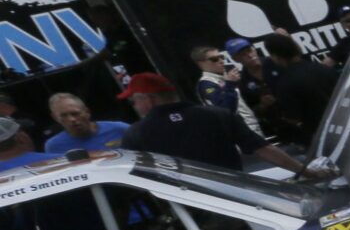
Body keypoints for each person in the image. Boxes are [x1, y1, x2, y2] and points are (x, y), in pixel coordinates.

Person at [120, 71, 316, 176]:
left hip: (193, 212)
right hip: (238, 196)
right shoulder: (217, 114)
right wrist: (304, 171)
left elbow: (135, 176)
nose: (134, 106)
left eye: (133, 101)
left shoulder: (136, 134)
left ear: (148, 99)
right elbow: (263, 149)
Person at [42, 92, 126, 154]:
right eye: (63, 116)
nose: (72, 119)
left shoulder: (119, 129)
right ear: (55, 118)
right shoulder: (54, 146)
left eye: (75, 113)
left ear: (87, 112)